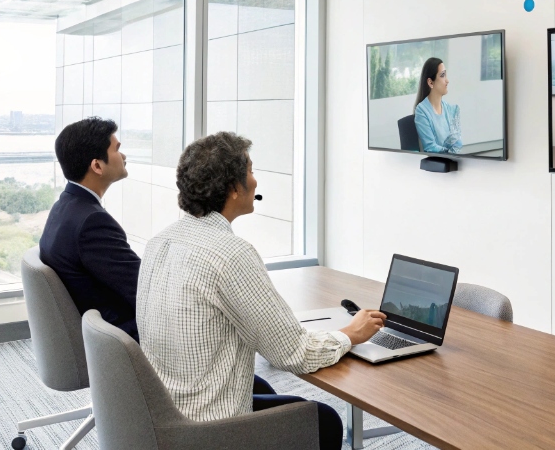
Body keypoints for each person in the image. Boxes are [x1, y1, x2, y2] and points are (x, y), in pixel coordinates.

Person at [137, 132, 386, 450]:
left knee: (266, 387)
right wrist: (351, 333)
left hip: (166, 414)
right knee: (324, 420)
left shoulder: (159, 242)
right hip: (210, 431)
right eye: (251, 171)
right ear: (233, 188)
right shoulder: (231, 254)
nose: (255, 182)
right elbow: (295, 354)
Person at [38, 117, 141, 340]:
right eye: (117, 149)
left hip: (95, 331)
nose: (123, 157)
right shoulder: (92, 223)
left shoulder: (63, 207)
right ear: (97, 165)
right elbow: (143, 290)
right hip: (120, 337)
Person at [413, 57, 462, 154]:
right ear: (430, 82)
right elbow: (430, 147)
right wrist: (450, 152)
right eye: (442, 75)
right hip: (437, 163)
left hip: (451, 161)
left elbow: (457, 143)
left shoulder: (450, 109)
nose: (447, 81)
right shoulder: (421, 111)